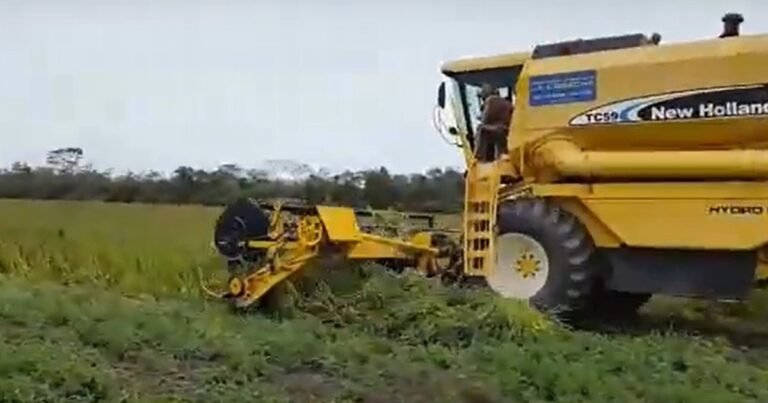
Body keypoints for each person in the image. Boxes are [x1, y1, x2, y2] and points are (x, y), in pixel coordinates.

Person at [474, 84, 513, 162]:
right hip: (507, 130)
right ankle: (500, 154)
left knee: (481, 129)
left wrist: (481, 117)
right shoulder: (508, 103)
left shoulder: (491, 100)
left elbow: (486, 119)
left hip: (497, 129)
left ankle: (480, 156)